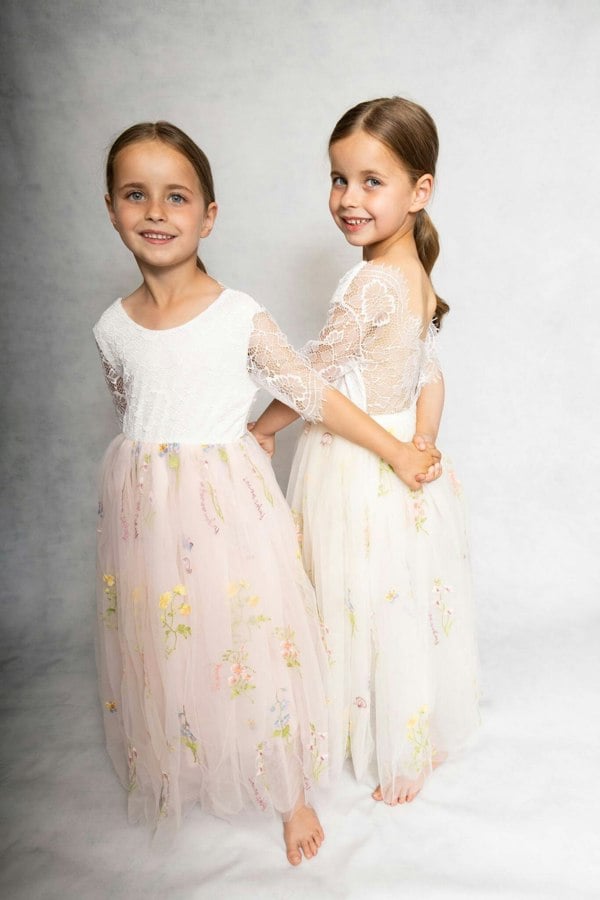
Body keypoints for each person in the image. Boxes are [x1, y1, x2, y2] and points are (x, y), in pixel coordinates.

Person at [93, 121, 440, 862]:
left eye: (176, 196)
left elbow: (314, 390)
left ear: (207, 215)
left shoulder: (238, 315)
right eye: (135, 195)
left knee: (246, 630)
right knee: (167, 628)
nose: (155, 211)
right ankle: (187, 750)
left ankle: (288, 789)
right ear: (112, 208)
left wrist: (396, 450)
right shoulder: (111, 328)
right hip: (147, 508)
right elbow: (129, 406)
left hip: (226, 504)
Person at [251, 97, 480, 807]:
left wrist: (264, 427)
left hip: (357, 465)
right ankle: (404, 734)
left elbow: (312, 377)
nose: (348, 199)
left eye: (371, 182)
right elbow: (431, 376)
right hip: (399, 458)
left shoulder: (370, 280)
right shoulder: (416, 274)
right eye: (338, 179)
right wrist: (423, 438)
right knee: (395, 597)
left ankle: (387, 746)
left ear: (419, 191)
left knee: (357, 597)